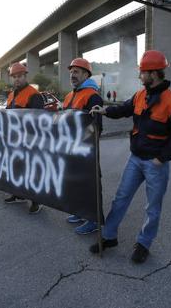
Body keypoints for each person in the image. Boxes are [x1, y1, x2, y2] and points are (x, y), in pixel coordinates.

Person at [89, 50, 171, 263]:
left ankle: (143, 243)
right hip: (135, 159)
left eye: (142, 72)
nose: (140, 76)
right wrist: (104, 111)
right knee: (121, 198)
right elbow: (125, 109)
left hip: (156, 163)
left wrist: (161, 158)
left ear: (154, 73)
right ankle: (108, 237)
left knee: (153, 208)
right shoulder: (140, 95)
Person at [62, 58, 103, 235]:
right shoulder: (70, 95)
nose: (72, 75)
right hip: (69, 147)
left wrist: (83, 144)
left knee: (90, 185)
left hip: (85, 149)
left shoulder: (93, 96)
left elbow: (96, 127)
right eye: (71, 72)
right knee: (75, 182)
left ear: (86, 75)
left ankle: (94, 220)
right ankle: (80, 212)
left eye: (76, 71)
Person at [3, 62, 44, 214]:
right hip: (14, 140)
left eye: (20, 76)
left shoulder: (34, 94)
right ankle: (18, 194)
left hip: (29, 141)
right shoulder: (12, 95)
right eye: (14, 77)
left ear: (25, 76)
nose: (17, 79)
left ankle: (37, 201)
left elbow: (39, 121)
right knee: (16, 168)